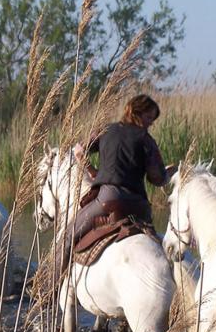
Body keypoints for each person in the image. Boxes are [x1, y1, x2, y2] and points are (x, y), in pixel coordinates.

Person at [63, 94, 176, 261]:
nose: (151, 123)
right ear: (135, 112)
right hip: (139, 205)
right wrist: (168, 173)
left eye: (152, 119)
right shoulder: (146, 140)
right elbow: (157, 179)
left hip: (108, 199)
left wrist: (93, 171)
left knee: (67, 238)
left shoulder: (105, 130)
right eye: (149, 117)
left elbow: (78, 151)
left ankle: (49, 286)